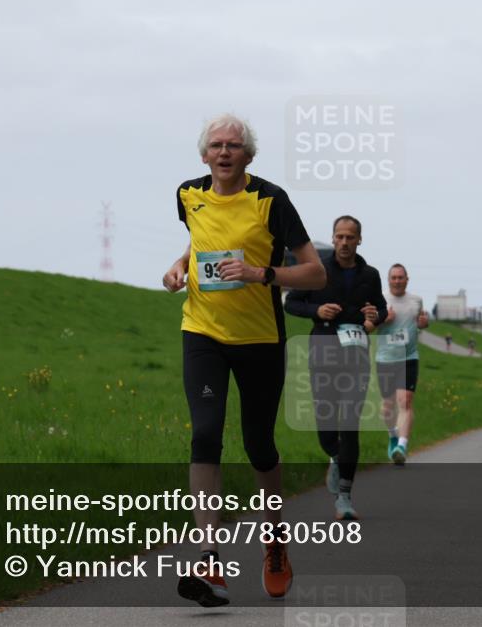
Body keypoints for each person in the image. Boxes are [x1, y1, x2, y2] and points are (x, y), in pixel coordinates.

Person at [163, 114, 326, 607]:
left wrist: (262, 272)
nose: (226, 152)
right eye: (217, 145)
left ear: (249, 155)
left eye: (235, 145)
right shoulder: (187, 195)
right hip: (203, 333)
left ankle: (274, 541)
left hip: (259, 339)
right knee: (206, 433)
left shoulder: (271, 200)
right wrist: (179, 265)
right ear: (204, 154)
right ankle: (210, 558)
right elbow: (200, 242)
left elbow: (315, 274)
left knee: (258, 443)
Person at [285, 216, 387, 521]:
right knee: (326, 421)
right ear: (333, 238)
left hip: (356, 351)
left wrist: (373, 317)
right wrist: (316, 309)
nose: (344, 242)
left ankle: (344, 495)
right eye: (339, 237)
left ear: (359, 240)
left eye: (350, 237)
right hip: (324, 347)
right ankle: (334, 455)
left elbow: (381, 308)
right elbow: (291, 302)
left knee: (351, 423)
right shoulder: (318, 269)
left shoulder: (370, 274)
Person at [375, 264, 427, 465]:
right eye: (393, 277)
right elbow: (369, 324)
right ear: (388, 280)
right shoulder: (380, 299)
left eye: (400, 277)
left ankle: (402, 446)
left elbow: (421, 323)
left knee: (405, 400)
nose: (397, 281)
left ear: (407, 279)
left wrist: (423, 324)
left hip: (409, 357)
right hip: (385, 359)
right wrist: (383, 319)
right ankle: (393, 437)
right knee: (387, 408)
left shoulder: (416, 301)